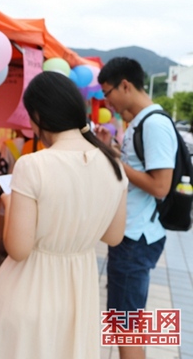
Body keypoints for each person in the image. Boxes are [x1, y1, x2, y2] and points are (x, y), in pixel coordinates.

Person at [0, 71, 128, 359]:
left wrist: (9, 202)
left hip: (29, 289)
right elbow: (113, 237)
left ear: (39, 115)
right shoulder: (112, 163)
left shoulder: (33, 165)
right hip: (79, 293)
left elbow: (18, 249)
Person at [96, 57, 177, 359]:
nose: (107, 102)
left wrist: (117, 164)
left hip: (136, 239)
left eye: (108, 93)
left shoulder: (154, 124)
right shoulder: (141, 122)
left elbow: (160, 186)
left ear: (125, 85)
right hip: (132, 236)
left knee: (125, 327)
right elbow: (138, 169)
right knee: (125, 324)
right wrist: (112, 151)